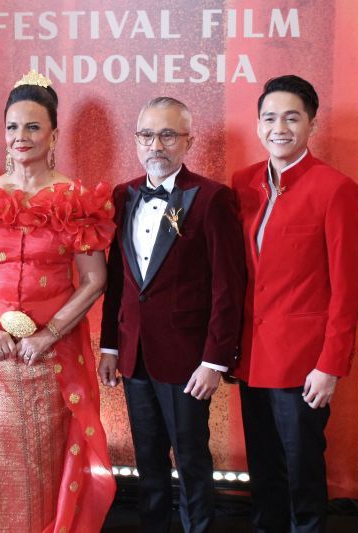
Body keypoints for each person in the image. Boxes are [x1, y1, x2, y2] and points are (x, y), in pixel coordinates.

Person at [0, 70, 116, 532]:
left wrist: (49, 334)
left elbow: (94, 280)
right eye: (13, 126)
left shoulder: (76, 199)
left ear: (53, 133)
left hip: (53, 357)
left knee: (49, 464)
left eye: (33, 127)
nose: (21, 136)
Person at [98, 96, 246, 532]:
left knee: (192, 459)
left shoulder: (212, 198)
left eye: (167, 135)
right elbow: (117, 279)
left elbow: (227, 287)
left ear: (188, 141)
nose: (156, 145)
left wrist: (214, 361)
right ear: (136, 140)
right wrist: (110, 346)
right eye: (147, 135)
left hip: (188, 359)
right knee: (147, 462)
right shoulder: (123, 195)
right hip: (135, 354)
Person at [231, 75, 358, 533]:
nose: (279, 128)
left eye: (291, 118)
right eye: (269, 118)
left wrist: (330, 365)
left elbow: (347, 288)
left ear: (311, 123)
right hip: (252, 357)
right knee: (263, 471)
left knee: (302, 472)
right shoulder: (243, 183)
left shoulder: (335, 188)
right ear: (258, 124)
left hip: (304, 363)